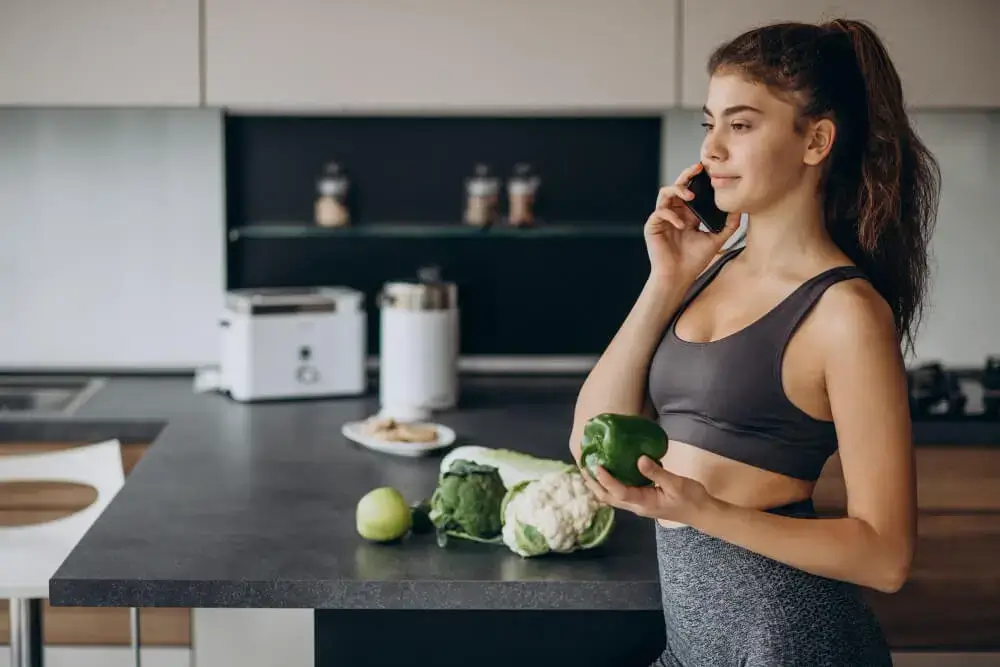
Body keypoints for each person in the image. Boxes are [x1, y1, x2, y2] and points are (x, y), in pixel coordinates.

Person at [570, 18, 941, 667]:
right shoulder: (706, 271)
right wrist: (665, 280)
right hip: (696, 646)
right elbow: (587, 440)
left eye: (740, 125)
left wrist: (704, 508)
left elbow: (887, 557)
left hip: (792, 643)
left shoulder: (846, 313)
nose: (712, 148)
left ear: (815, 140)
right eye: (708, 123)